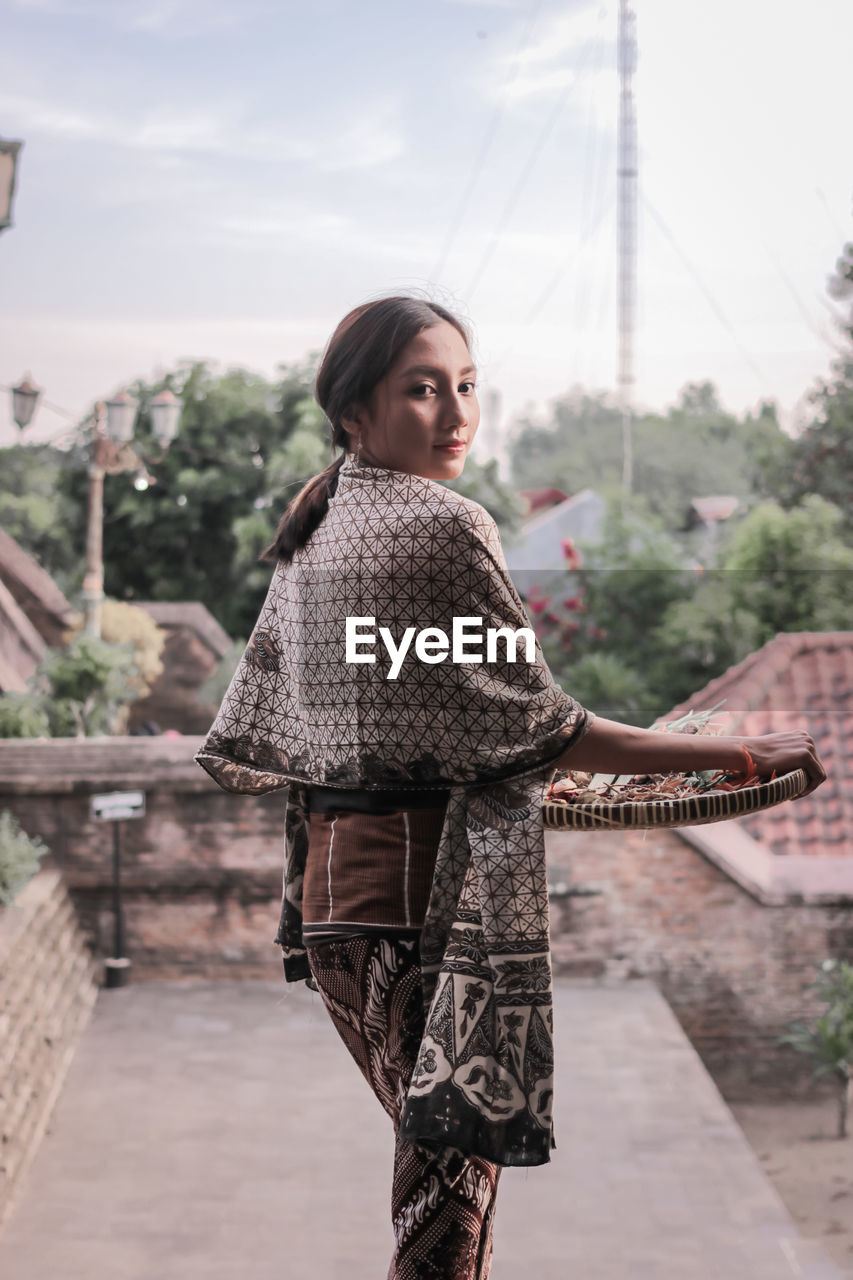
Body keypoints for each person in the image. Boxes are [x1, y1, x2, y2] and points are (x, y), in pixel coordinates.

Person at [195, 295, 826, 1280]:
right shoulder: (446, 526)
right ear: (355, 410)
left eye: (467, 385)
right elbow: (543, 727)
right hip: (422, 913)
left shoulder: (312, 532)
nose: (455, 412)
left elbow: (344, 739)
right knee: (447, 1220)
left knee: (436, 1203)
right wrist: (734, 755)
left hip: (334, 919)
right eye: (422, 388)